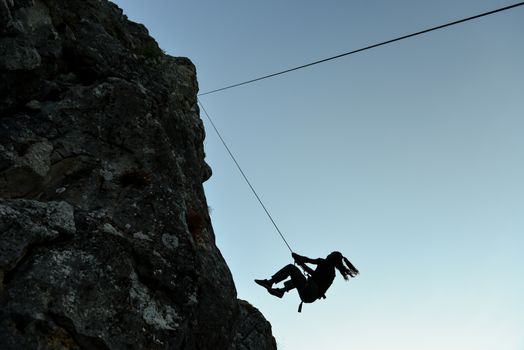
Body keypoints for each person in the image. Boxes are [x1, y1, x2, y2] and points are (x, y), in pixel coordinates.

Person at [255, 251, 359, 311]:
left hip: (310, 290)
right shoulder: (332, 273)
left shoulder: (325, 263)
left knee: (291, 268)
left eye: (330, 254)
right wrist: (300, 260)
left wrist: (299, 260)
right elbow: (308, 265)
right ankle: (281, 291)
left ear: (332, 258)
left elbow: (308, 261)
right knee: (300, 279)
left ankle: (270, 282)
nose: (328, 254)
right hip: (310, 297)